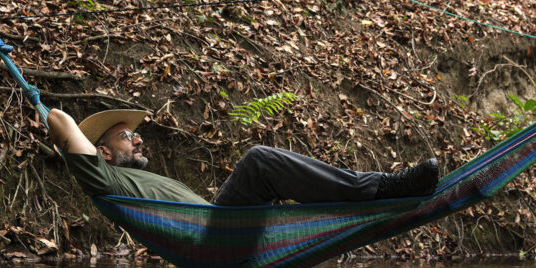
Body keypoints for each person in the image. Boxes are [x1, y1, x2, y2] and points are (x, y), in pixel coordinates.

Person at [46, 108, 441, 206]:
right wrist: (34, 96)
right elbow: (58, 118)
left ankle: (368, 195)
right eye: (127, 136)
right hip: (213, 236)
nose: (139, 142)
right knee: (258, 160)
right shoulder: (105, 178)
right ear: (102, 153)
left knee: (262, 164)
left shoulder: (132, 180)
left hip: (217, 225)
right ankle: (381, 187)